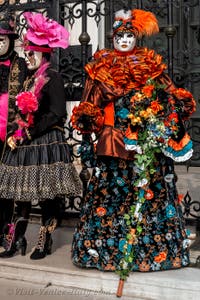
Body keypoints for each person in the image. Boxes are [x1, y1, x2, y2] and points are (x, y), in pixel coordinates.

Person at [71, 8, 196, 278]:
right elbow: (89, 103)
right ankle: (107, 251)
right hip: (113, 140)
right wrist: (89, 125)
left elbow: (168, 97)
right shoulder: (101, 66)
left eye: (130, 35)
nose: (125, 40)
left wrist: (165, 114)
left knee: (149, 193)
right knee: (111, 196)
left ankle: (150, 252)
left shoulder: (150, 64)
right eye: (120, 35)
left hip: (146, 142)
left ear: (136, 38)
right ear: (113, 38)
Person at [0, 11, 82, 259]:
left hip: (45, 142)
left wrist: (29, 131)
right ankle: (17, 239)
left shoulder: (52, 77)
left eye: (31, 53)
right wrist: (19, 131)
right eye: (26, 53)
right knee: (20, 194)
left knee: (46, 195)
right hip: (26, 143)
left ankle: (44, 241)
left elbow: (57, 113)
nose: (28, 57)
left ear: (43, 54)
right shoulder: (28, 79)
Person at [0, 12, 28, 247]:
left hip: (9, 134)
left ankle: (7, 231)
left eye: (3, 39)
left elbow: (29, 99)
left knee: (7, 186)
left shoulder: (20, 65)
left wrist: (18, 131)